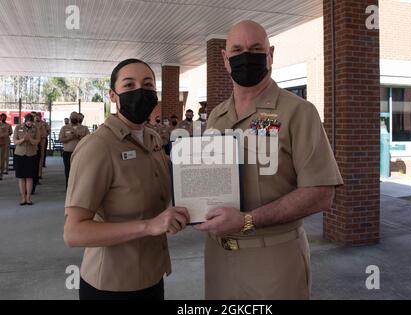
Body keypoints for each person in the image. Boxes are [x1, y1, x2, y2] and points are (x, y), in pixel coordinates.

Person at [194, 20, 343, 300]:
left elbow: (321, 194)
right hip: (218, 260)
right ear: (225, 60)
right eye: (237, 50)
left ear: (270, 55)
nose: (246, 56)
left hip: (274, 261)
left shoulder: (299, 112)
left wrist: (247, 221)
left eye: (256, 48)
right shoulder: (216, 116)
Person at [63, 58, 190, 300]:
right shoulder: (97, 146)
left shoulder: (152, 139)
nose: (140, 92)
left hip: (152, 275)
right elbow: (74, 233)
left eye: (147, 85)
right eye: (129, 85)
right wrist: (149, 226)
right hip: (113, 285)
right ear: (113, 95)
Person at [13, 114, 41, 205]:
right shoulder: (18, 127)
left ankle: (28, 198)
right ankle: (23, 198)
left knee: (29, 177)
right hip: (20, 154)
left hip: (31, 154)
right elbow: (15, 141)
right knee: (21, 177)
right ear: (25, 121)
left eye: (31, 122)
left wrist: (30, 139)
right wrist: (23, 140)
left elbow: (37, 141)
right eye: (28, 122)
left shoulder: (36, 128)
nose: (29, 123)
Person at [59, 112, 90, 188]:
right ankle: (68, 187)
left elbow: (89, 139)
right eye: (72, 117)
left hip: (80, 152)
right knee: (68, 170)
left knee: (79, 171)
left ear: (78, 118)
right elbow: (60, 139)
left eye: (75, 117)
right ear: (70, 118)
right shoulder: (64, 128)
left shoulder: (84, 128)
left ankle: (78, 187)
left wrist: (79, 137)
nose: (74, 118)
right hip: (67, 153)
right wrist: (69, 138)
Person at [0, 113, 12, 178]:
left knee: (5, 156)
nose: (3, 118)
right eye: (2, 117)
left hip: (6, 141)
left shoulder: (8, 125)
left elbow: (10, 132)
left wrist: (5, 134)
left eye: (4, 117)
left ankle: (5, 169)